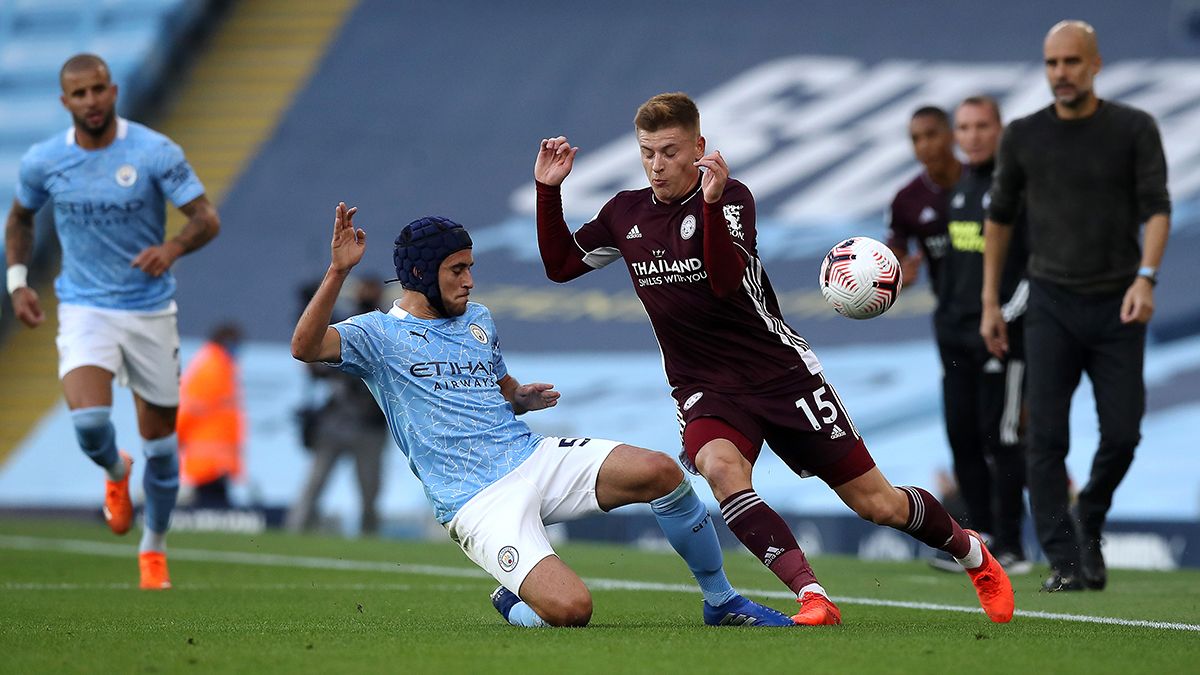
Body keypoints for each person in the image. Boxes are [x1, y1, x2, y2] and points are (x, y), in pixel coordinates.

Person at [534, 91, 1014, 624]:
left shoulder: (733, 198)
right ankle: (812, 596)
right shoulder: (625, 212)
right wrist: (548, 192)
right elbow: (560, 265)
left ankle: (973, 553)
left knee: (878, 504)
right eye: (647, 152)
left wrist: (712, 206)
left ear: (699, 148)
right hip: (705, 386)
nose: (656, 165)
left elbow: (721, 284)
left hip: (781, 376)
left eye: (669, 151)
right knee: (720, 470)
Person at [291, 203, 797, 628]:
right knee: (574, 610)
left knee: (661, 471)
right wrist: (338, 272)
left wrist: (519, 397)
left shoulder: (477, 321)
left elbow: (497, 385)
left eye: (470, 267)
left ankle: (721, 601)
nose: (470, 281)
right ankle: (515, 596)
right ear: (421, 275)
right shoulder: (376, 335)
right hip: (475, 499)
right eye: (457, 270)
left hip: (530, 456)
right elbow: (305, 346)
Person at [4, 54, 220, 589]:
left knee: (163, 449)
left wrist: (171, 248)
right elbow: (20, 219)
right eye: (79, 94)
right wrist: (17, 281)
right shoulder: (44, 160)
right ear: (64, 102)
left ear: (114, 90)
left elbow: (205, 218)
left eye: (99, 89)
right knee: (89, 424)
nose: (91, 101)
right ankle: (116, 473)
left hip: (148, 310)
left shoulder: (152, 150)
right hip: (84, 307)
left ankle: (154, 548)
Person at [980, 21, 1171, 592]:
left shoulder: (1133, 128)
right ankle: (1064, 558)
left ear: (1095, 65)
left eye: (1070, 62)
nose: (1060, 73)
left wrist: (1147, 278)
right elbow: (1001, 219)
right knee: (1045, 439)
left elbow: (1157, 208)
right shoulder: (1022, 135)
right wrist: (991, 300)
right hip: (1052, 302)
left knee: (1123, 433)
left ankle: (1089, 511)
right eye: (1051, 63)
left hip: (1119, 304)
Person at [936, 96, 1030, 574]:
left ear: (1000, 129)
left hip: (1002, 337)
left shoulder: (1015, 187)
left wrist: (1008, 319)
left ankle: (1013, 543)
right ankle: (980, 538)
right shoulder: (960, 188)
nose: (971, 136)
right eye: (964, 127)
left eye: (981, 126)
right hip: (955, 338)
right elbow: (955, 265)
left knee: (1003, 439)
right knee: (963, 438)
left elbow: (1034, 265)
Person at [288, 276, 390, 535]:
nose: (368, 293)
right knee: (315, 484)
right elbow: (314, 363)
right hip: (338, 418)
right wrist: (306, 309)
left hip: (370, 423)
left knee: (370, 492)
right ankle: (295, 532)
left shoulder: (388, 328)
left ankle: (370, 539)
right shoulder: (344, 324)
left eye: (373, 289)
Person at [885, 106, 959, 289]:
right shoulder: (906, 200)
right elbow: (893, 260)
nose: (924, 145)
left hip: (1007, 305)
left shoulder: (987, 181)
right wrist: (897, 276)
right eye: (916, 139)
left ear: (952, 135)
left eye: (931, 135)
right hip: (951, 312)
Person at [177, 322, 245, 509]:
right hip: (208, 460)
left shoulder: (220, 367)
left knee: (213, 507)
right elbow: (189, 411)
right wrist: (176, 438)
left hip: (216, 460)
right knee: (210, 508)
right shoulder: (211, 369)